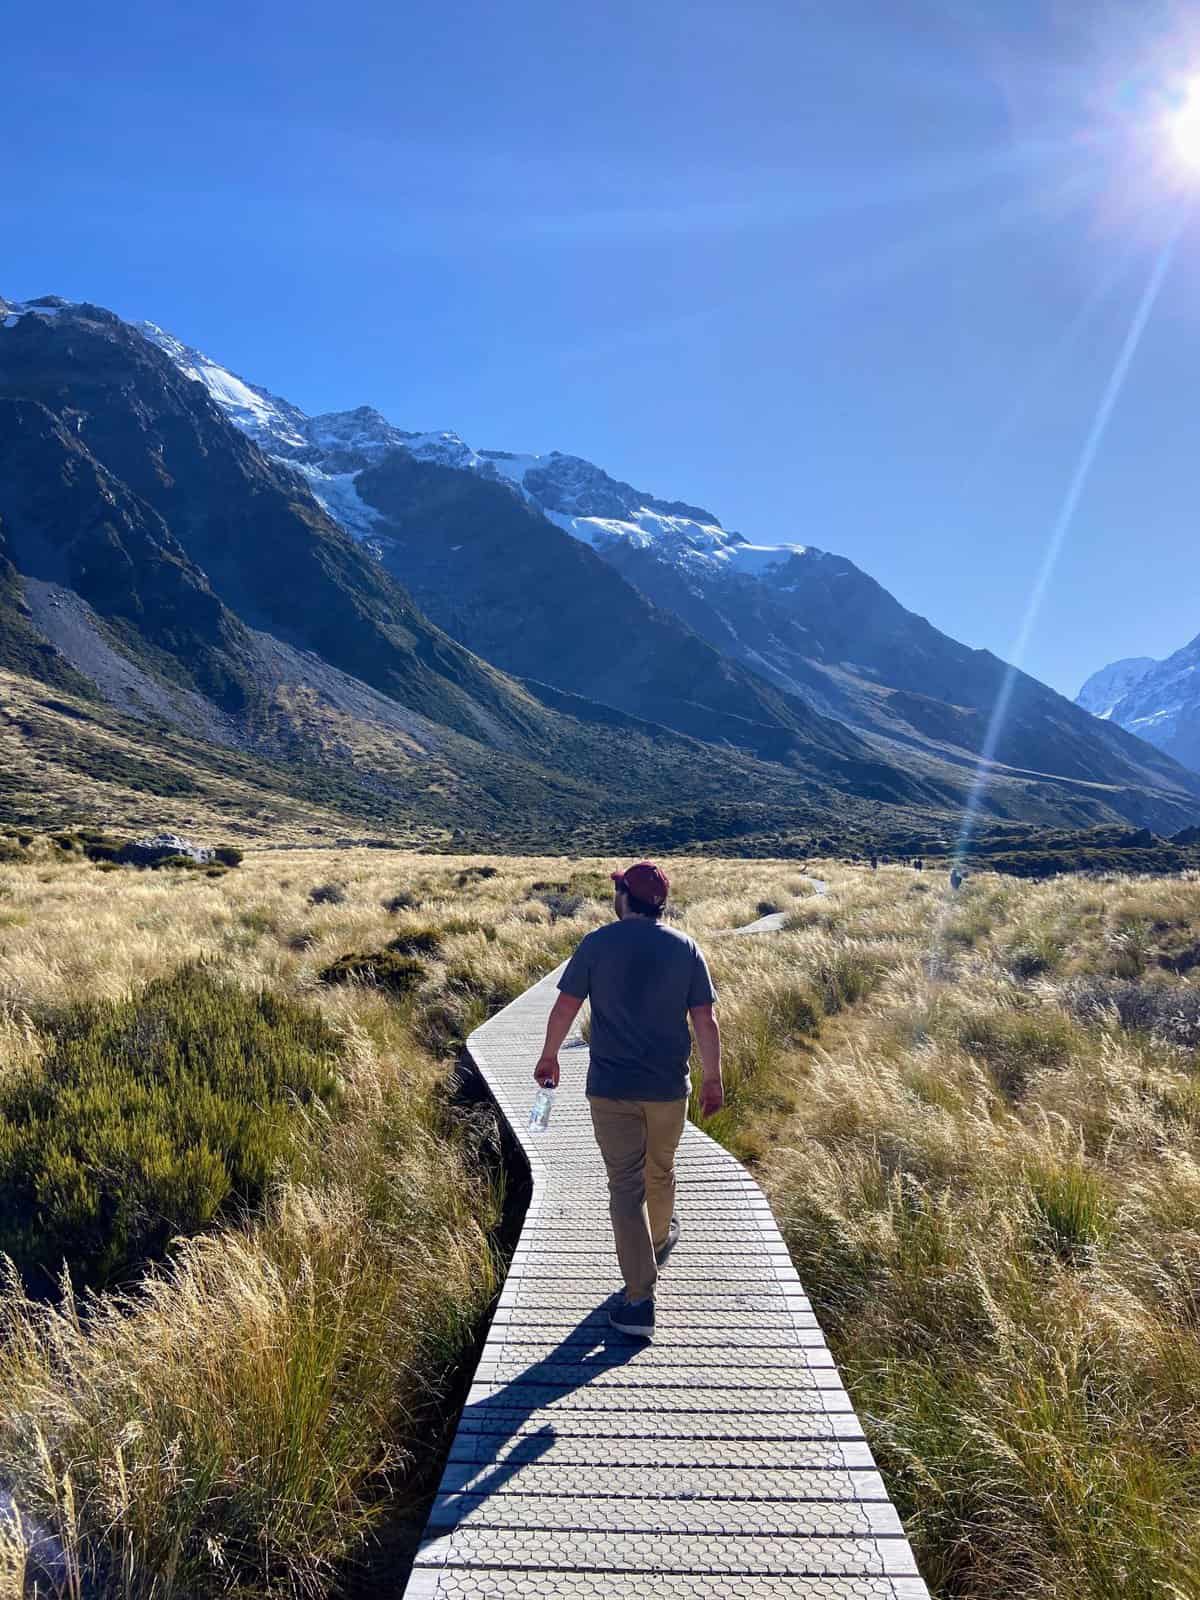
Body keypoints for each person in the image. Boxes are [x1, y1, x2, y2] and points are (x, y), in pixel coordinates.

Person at [532, 860, 722, 1341]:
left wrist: (550, 1056)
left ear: (625, 899)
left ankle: (639, 1299)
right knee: (661, 1170)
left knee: (624, 1184)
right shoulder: (686, 948)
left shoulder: (597, 944)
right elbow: (705, 1021)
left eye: (617, 890)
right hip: (667, 1089)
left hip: (611, 1088)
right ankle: (655, 1242)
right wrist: (712, 1079)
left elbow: (565, 1007)